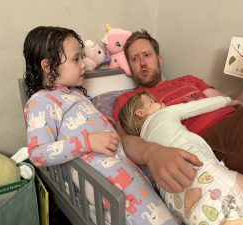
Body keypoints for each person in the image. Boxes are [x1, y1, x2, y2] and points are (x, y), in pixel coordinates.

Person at [112, 24, 243, 194]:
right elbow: (125, 140)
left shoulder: (188, 80)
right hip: (207, 144)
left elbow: (238, 103)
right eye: (135, 59)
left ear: (159, 59)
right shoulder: (130, 101)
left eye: (147, 55)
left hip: (236, 123)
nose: (142, 63)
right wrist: (151, 153)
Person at [23, 26, 180, 225]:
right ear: (47, 66)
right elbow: (37, 153)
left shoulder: (74, 94)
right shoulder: (41, 101)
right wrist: (87, 141)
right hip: (105, 177)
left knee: (163, 196)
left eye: (82, 58)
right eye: (76, 59)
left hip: (121, 163)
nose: (83, 65)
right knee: (151, 213)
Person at [118, 92, 243, 225]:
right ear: (141, 113)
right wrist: (227, 100)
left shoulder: (143, 143)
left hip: (179, 204)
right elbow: (196, 106)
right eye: (154, 101)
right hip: (203, 175)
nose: (161, 102)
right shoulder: (163, 114)